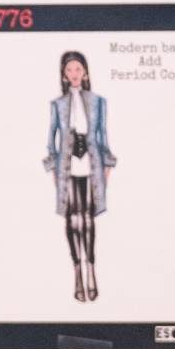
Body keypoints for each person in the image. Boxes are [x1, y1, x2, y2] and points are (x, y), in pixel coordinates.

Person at [42, 50, 115, 304]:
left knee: (88, 219)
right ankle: (77, 272)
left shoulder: (98, 101)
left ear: (85, 73)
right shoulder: (57, 105)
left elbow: (103, 136)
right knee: (73, 219)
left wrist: (107, 168)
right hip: (67, 166)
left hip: (91, 164)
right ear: (64, 74)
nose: (74, 74)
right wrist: (54, 171)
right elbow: (51, 141)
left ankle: (91, 269)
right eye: (69, 70)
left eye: (78, 69)